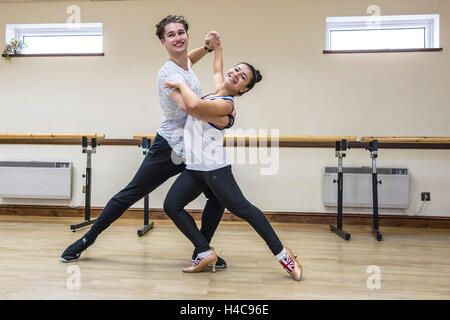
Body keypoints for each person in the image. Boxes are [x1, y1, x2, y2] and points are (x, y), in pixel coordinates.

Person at [60, 15, 232, 268]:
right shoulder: (168, 72)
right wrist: (224, 115)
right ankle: (86, 240)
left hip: (194, 149)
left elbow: (189, 61)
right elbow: (190, 108)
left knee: (218, 196)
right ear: (163, 42)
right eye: (171, 35)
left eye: (181, 32)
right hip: (169, 147)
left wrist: (206, 49)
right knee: (131, 194)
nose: (178, 37)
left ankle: (202, 249)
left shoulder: (183, 65)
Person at [162, 38, 303, 281]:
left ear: (243, 89)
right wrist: (217, 46)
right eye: (236, 69)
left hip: (215, 168)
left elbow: (193, 104)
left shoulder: (225, 105)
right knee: (171, 205)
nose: (236, 74)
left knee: (243, 209)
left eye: (242, 77)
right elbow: (217, 69)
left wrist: (179, 83)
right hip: (195, 167)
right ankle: (204, 250)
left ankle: (283, 255)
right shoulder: (216, 90)